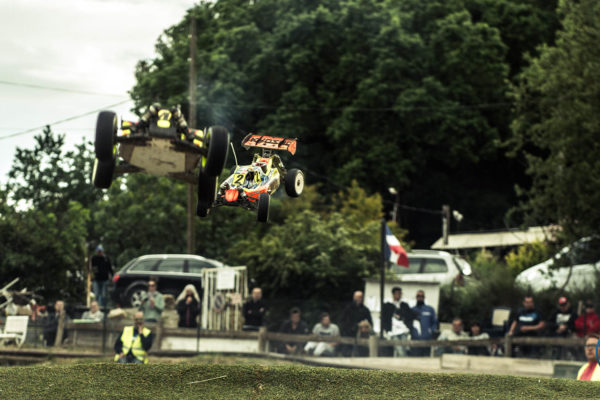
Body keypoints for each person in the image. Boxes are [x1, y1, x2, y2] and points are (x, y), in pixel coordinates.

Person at [381, 287, 416, 357]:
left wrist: (409, 328)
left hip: (404, 331)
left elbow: (410, 316)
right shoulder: (387, 305)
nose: (398, 295)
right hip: (393, 332)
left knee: (405, 348)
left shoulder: (404, 305)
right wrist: (387, 330)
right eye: (396, 293)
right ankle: (406, 364)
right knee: (399, 349)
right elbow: (384, 319)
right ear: (393, 294)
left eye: (400, 294)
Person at [339, 291, 373, 356]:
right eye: (357, 297)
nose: (358, 299)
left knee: (360, 354)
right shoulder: (347, 308)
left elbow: (370, 323)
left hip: (361, 335)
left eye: (360, 297)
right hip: (348, 334)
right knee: (347, 353)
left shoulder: (365, 310)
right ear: (354, 297)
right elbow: (342, 321)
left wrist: (365, 326)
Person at [411, 290, 439, 357]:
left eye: (422, 296)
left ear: (424, 297)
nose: (420, 297)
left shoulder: (430, 309)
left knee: (426, 360)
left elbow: (435, 322)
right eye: (418, 296)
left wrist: (431, 332)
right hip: (415, 340)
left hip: (427, 340)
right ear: (416, 297)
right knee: (414, 360)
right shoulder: (412, 310)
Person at [91, 244, 113, 308]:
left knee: (104, 295)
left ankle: (103, 307)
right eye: (98, 251)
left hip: (104, 279)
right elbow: (92, 268)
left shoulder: (106, 259)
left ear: (103, 251)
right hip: (96, 279)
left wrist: (111, 275)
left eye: (101, 251)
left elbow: (110, 268)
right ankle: (96, 307)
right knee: (97, 294)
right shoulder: (94, 258)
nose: (99, 253)